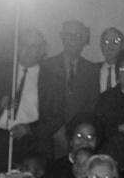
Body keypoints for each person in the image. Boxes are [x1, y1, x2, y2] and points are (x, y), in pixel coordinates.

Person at [0, 27, 49, 170]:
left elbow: (55, 116)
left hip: (30, 142)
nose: (28, 50)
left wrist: (30, 129)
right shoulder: (1, 71)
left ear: (42, 50)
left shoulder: (51, 79)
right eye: (24, 45)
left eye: (33, 46)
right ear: (17, 46)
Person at [38, 20, 100, 157]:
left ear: (84, 39)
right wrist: (56, 129)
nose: (72, 39)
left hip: (80, 138)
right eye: (68, 35)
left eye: (77, 35)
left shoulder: (92, 70)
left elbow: (92, 105)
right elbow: (42, 101)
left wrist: (77, 132)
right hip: (50, 134)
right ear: (62, 37)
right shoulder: (46, 66)